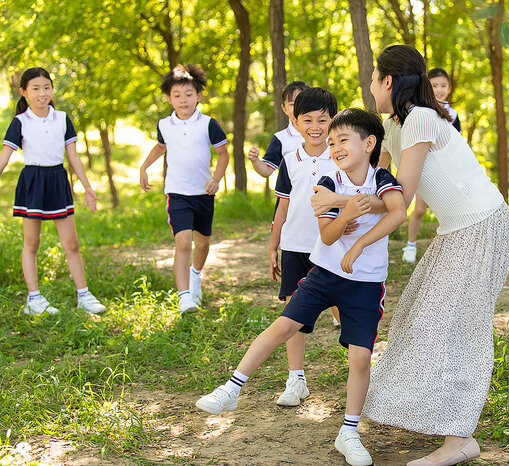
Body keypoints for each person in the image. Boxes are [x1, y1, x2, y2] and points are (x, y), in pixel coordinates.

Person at [311, 45, 509, 466]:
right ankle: (440, 423)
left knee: (457, 326)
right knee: (419, 318)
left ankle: (459, 440)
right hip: (457, 231)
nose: (370, 85)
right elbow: (374, 179)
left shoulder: (421, 117)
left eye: (373, 78)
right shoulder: (395, 123)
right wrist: (335, 195)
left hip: (482, 226)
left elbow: (397, 200)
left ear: (388, 82)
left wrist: (353, 227)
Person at [195, 108, 406, 466]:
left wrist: (358, 241)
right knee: (283, 326)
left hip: (366, 283)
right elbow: (326, 234)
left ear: (369, 143)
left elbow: (397, 211)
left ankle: (349, 432)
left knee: (360, 358)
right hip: (324, 274)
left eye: (343, 139)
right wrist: (349, 213)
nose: (335, 145)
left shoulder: (382, 177)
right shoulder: (328, 179)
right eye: (332, 140)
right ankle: (232, 388)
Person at [0, 67, 106, 316]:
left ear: (52, 89)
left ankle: (84, 295)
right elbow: (4, 157)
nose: (42, 93)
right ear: (24, 92)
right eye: (35, 89)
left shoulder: (62, 118)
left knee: (72, 244)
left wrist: (88, 188)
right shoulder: (20, 122)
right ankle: (34, 300)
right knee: (32, 244)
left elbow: (73, 156)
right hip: (33, 182)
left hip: (58, 181)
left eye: (46, 87)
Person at [269, 87, 340, 407]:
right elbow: (282, 207)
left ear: (333, 121)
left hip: (331, 246)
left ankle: (367, 373)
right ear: (295, 122)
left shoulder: (341, 159)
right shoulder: (289, 159)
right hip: (294, 247)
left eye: (322, 120)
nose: (315, 126)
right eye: (306, 119)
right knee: (292, 313)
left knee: (345, 309)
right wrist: (274, 244)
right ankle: (295, 379)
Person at [139, 64, 229, 315]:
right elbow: (160, 147)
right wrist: (144, 167)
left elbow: (223, 154)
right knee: (182, 242)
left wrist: (216, 178)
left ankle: (196, 276)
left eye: (189, 94)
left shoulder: (209, 124)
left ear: (198, 96)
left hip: (203, 193)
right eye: (177, 95)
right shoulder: (165, 124)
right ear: (169, 98)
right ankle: (184, 296)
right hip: (177, 193)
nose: (183, 100)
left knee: (202, 244)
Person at [402, 67, 461, 264]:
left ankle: (450, 250)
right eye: (434, 85)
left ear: (449, 88)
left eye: (443, 85)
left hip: (446, 169)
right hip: (425, 166)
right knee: (419, 208)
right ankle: (410, 245)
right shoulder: (423, 110)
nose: (439, 89)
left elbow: (456, 143)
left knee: (449, 210)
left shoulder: (452, 114)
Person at [246, 80, 309, 178]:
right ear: (284, 109)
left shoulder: (325, 134)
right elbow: (266, 170)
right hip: (293, 193)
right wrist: (255, 160)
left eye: (303, 102)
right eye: (292, 104)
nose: (298, 108)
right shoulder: (280, 138)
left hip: (325, 193)